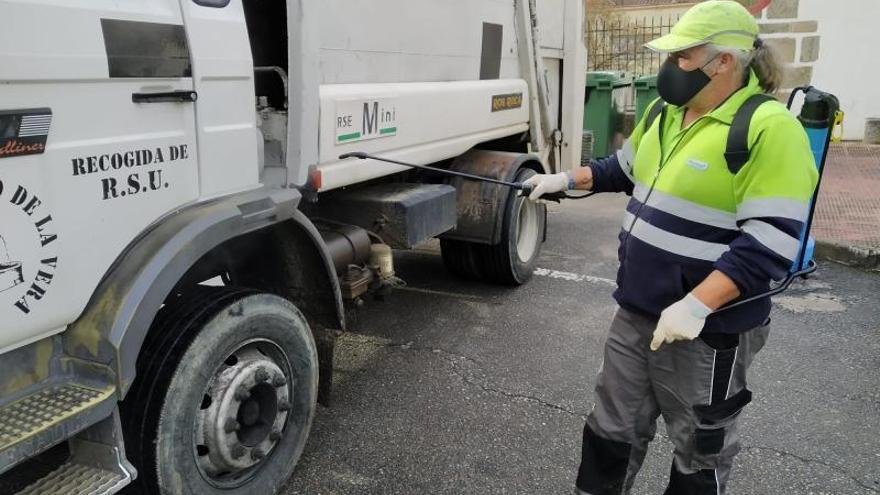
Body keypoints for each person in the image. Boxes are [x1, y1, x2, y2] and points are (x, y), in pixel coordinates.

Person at [524, 1, 818, 493]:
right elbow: (623, 169)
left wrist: (695, 306)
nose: (669, 68)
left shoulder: (769, 128)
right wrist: (562, 179)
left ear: (723, 61)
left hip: (709, 328)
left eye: (682, 56)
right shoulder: (666, 112)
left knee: (700, 452)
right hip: (637, 311)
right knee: (609, 432)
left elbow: (770, 242)